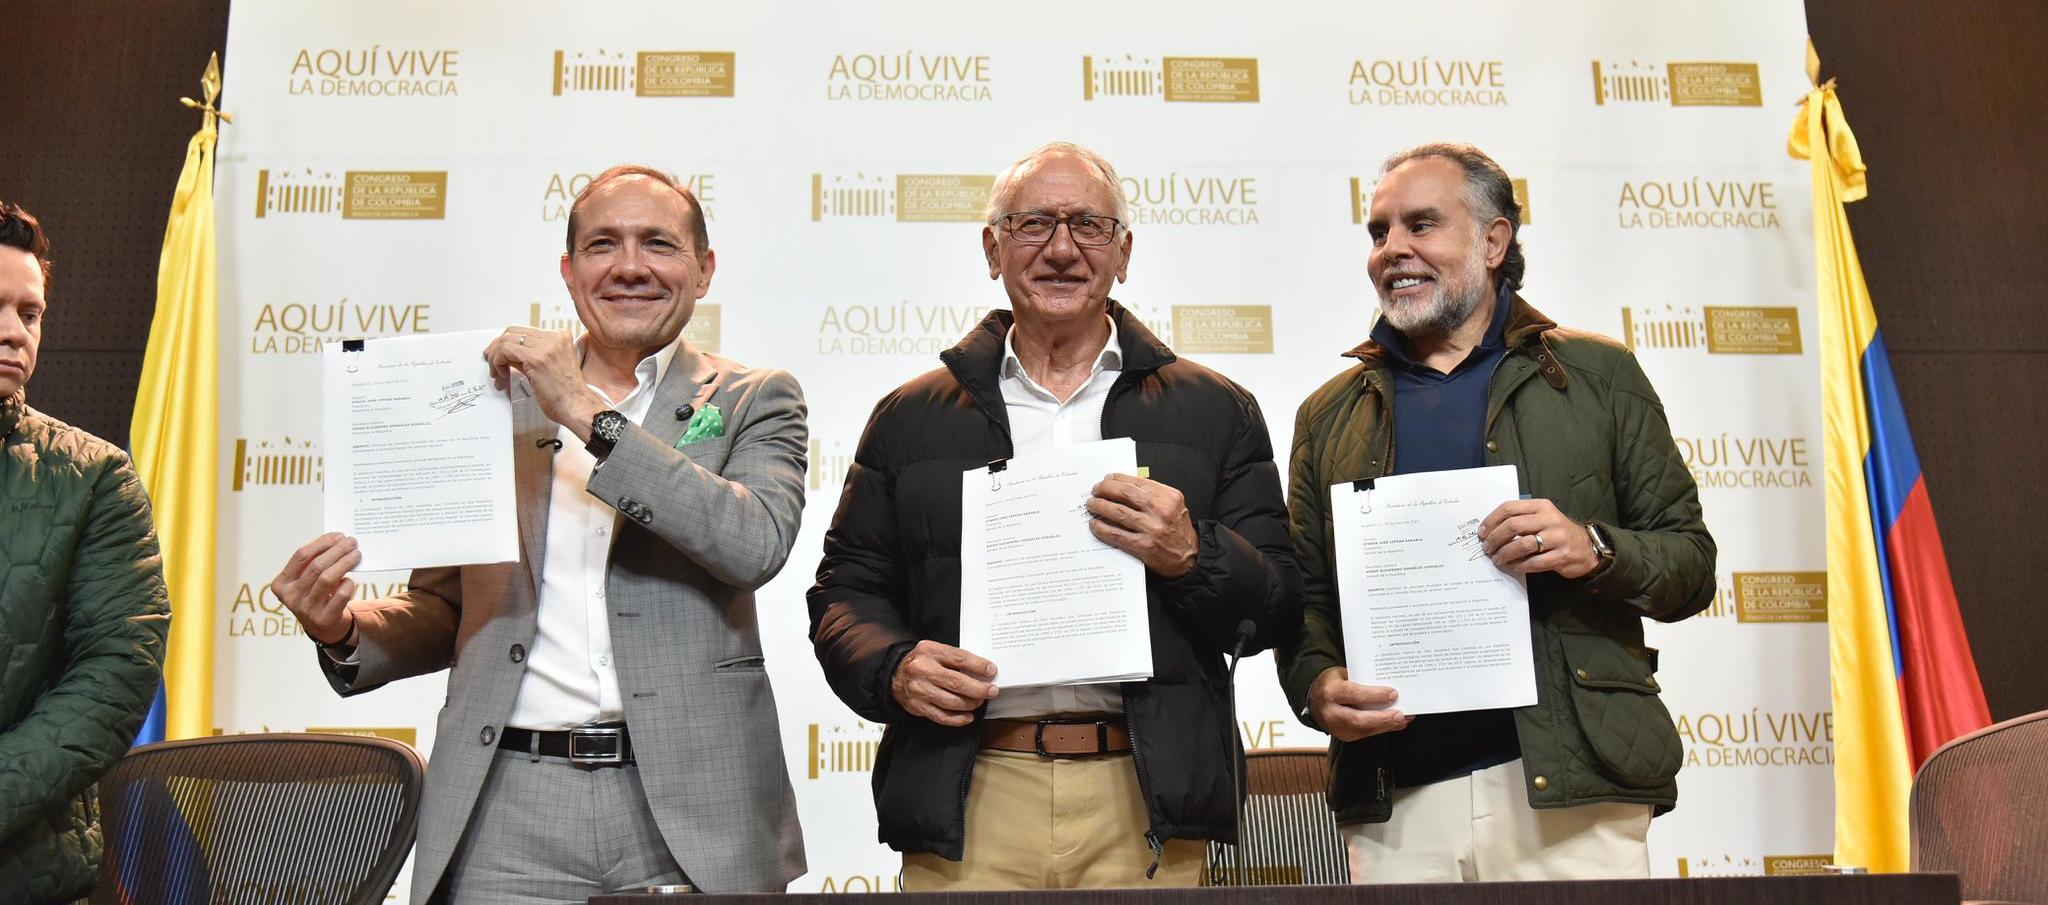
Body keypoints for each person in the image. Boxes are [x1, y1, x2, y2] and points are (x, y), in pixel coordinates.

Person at [269, 167, 807, 902]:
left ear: (704, 270)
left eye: (658, 244)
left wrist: (584, 411)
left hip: (695, 808)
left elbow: (752, 543)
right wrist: (344, 628)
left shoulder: (755, 397)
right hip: (508, 808)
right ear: (569, 270)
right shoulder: (487, 402)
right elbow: (445, 609)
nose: (629, 266)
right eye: (602, 244)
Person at [809, 141, 1300, 890]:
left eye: (1090, 226)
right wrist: (894, 666)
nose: (1062, 249)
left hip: (1146, 797)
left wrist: (1193, 554)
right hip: (970, 794)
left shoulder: (1216, 410)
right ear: (993, 249)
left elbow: (1278, 608)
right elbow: (846, 593)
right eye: (1034, 224)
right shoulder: (909, 418)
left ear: (1124, 254)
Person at [1277, 143, 1716, 882]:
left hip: (1573, 794)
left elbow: (1691, 565)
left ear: (1493, 241)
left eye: (1421, 224)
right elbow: (1308, 602)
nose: (1393, 249)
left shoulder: (1599, 375)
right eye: (1379, 232)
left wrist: (1593, 548)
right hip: (1398, 800)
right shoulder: (1327, 415)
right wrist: (1317, 685)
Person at [0, 200, 172, 904]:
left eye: (30, 313)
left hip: (24, 871)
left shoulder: (96, 477)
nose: (15, 332)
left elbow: (116, 672)